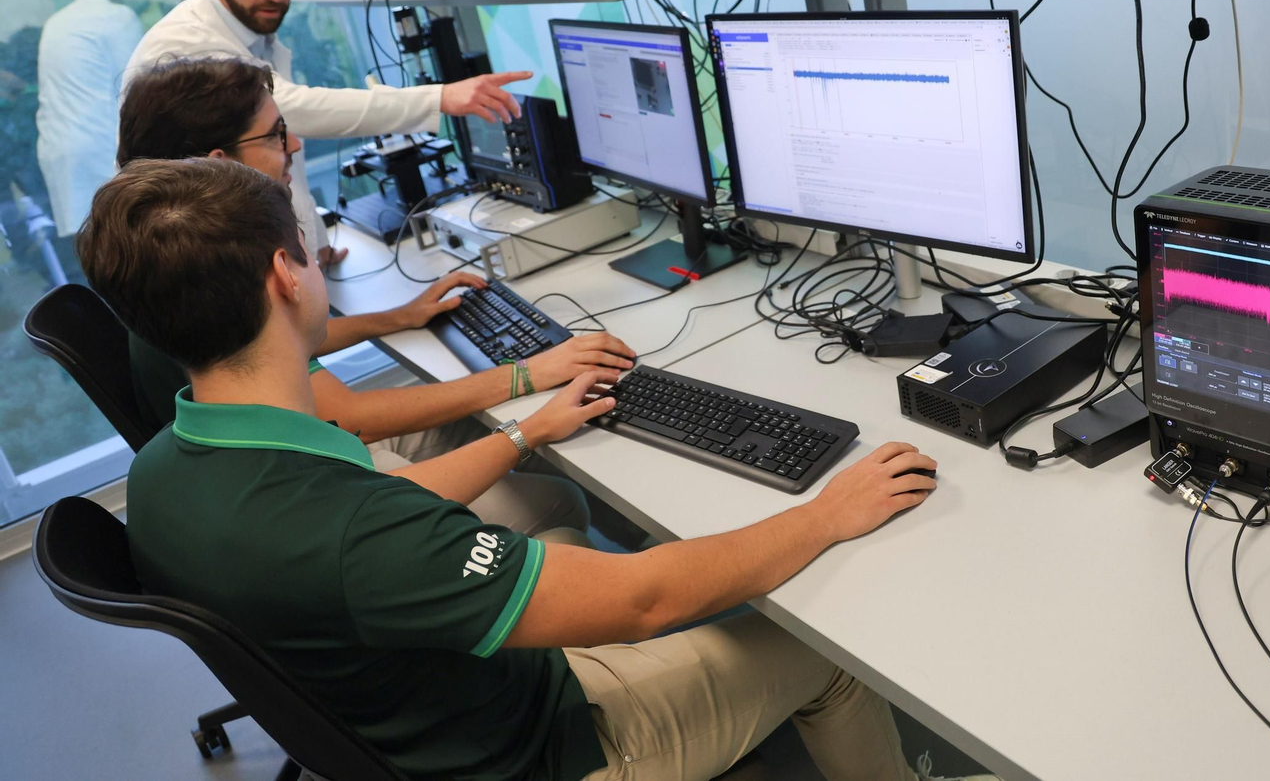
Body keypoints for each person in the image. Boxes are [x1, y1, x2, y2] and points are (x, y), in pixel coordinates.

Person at [79, 156, 945, 781]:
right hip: (548, 747)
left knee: (587, 528)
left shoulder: (161, 472)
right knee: (824, 652)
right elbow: (645, 601)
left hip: (429, 710)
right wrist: (827, 511)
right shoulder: (351, 534)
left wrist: (527, 431)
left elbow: (373, 517)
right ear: (284, 276)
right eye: (305, 252)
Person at [117, 56, 637, 538]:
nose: (294, 145)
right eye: (276, 134)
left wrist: (399, 317)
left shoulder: (170, 265)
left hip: (299, 471)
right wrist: (524, 377)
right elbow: (350, 417)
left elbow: (292, 341)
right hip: (331, 486)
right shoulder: (224, 279)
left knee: (506, 426)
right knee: (559, 499)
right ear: (218, 162)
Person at [123, 0, 530, 266]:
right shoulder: (188, 43)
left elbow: (279, 149)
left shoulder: (250, 29)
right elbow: (294, 111)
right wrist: (438, 97)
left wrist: (311, 240)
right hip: (194, 260)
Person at [36, 0, 145, 235]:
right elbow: (138, 86)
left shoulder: (55, 22)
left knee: (92, 241)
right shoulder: (118, 17)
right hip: (101, 145)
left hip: (59, 148)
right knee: (127, 237)